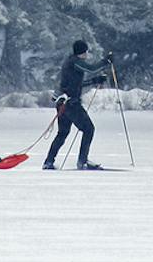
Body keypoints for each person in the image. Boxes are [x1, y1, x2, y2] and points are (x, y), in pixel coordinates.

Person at [43, 38, 112, 169]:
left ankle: (48, 161)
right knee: (88, 129)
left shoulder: (71, 62)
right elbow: (91, 69)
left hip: (63, 102)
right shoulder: (75, 62)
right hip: (71, 104)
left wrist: (94, 81)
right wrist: (106, 61)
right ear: (81, 52)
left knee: (63, 133)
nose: (87, 55)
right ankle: (82, 161)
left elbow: (76, 85)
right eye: (85, 52)